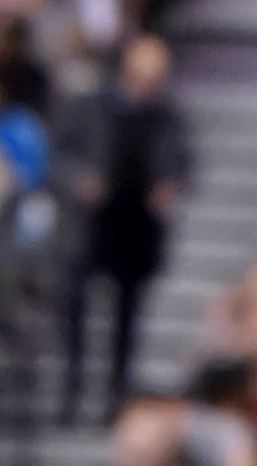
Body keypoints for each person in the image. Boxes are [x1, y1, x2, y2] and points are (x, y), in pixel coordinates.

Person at [58, 34, 190, 421]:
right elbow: (59, 153)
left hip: (137, 225)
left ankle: (116, 395)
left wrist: (170, 186)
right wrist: (78, 181)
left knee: (127, 317)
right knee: (76, 312)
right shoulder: (88, 106)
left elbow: (183, 163)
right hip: (90, 222)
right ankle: (72, 392)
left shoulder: (168, 117)